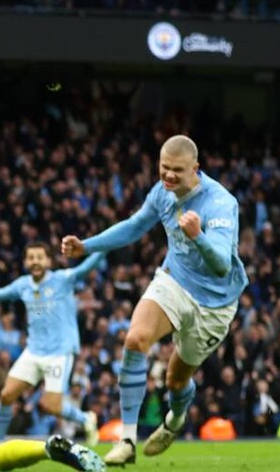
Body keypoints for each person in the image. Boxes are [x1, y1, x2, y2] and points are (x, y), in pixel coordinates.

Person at [62, 135, 247, 465]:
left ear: (196, 169)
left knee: (176, 380)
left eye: (177, 170)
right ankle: (127, 441)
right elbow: (135, 226)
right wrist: (86, 246)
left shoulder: (220, 203)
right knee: (135, 339)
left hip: (215, 303)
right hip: (174, 280)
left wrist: (198, 237)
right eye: (164, 168)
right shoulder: (162, 191)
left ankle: (175, 420)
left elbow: (221, 266)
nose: (169, 176)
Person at [0, 244, 103, 445]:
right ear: (25, 262)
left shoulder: (62, 279)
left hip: (60, 352)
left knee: (51, 406)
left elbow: (86, 268)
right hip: (33, 351)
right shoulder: (23, 285)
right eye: (31, 257)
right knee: (6, 395)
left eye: (40, 257)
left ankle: (85, 418)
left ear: (48, 261)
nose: (35, 262)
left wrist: (106, 245)